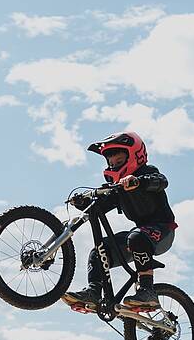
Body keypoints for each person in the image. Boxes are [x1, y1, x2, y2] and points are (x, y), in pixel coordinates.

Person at [62, 131, 177, 311]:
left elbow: (161, 181)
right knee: (98, 252)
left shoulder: (148, 172)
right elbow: (101, 205)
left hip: (163, 231)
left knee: (137, 237)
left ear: (134, 155)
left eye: (119, 161)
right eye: (111, 163)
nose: (114, 165)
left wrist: (138, 182)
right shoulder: (118, 189)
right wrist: (83, 202)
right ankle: (93, 292)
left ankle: (147, 291)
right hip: (140, 235)